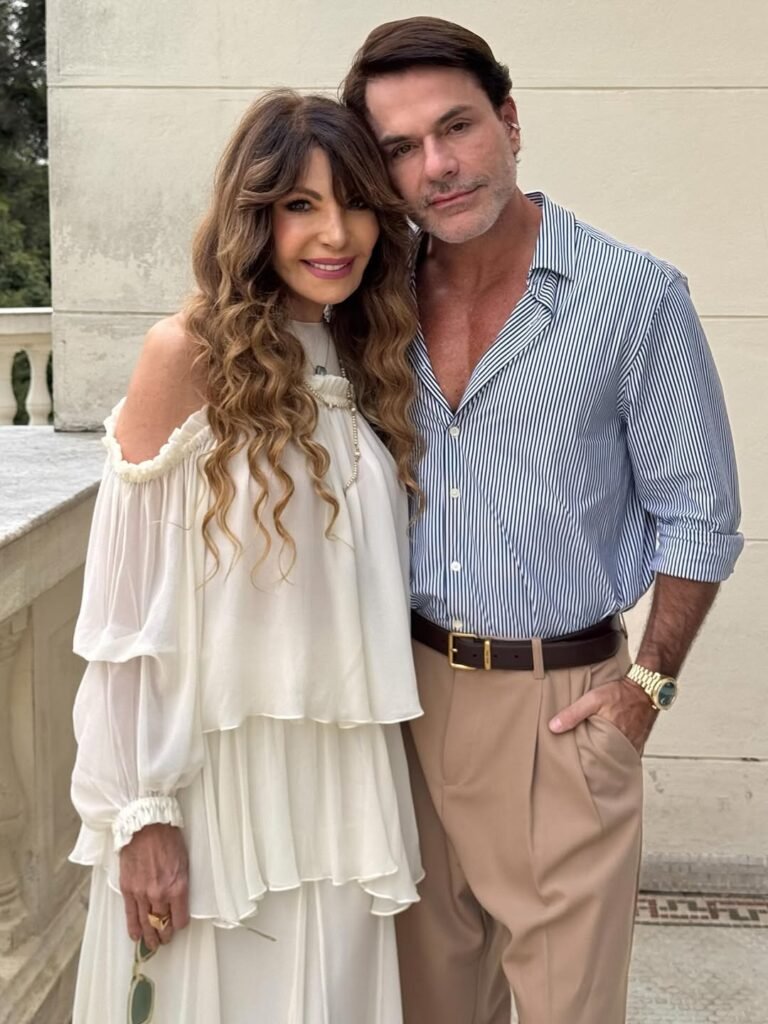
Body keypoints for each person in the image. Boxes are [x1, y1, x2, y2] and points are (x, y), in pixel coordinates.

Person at [342, 17, 743, 1024]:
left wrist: (646, 689)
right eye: (401, 147)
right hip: (402, 699)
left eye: (457, 127)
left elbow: (700, 515)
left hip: (558, 708)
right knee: (429, 1006)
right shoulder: (371, 300)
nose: (437, 166)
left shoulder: (635, 296)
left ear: (509, 122)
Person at [69, 90, 424, 1024]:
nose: (336, 233)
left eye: (356, 203)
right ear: (253, 215)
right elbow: (124, 617)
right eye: (302, 205)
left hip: (340, 788)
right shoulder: (184, 354)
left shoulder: (363, 352)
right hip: (214, 789)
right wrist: (141, 812)